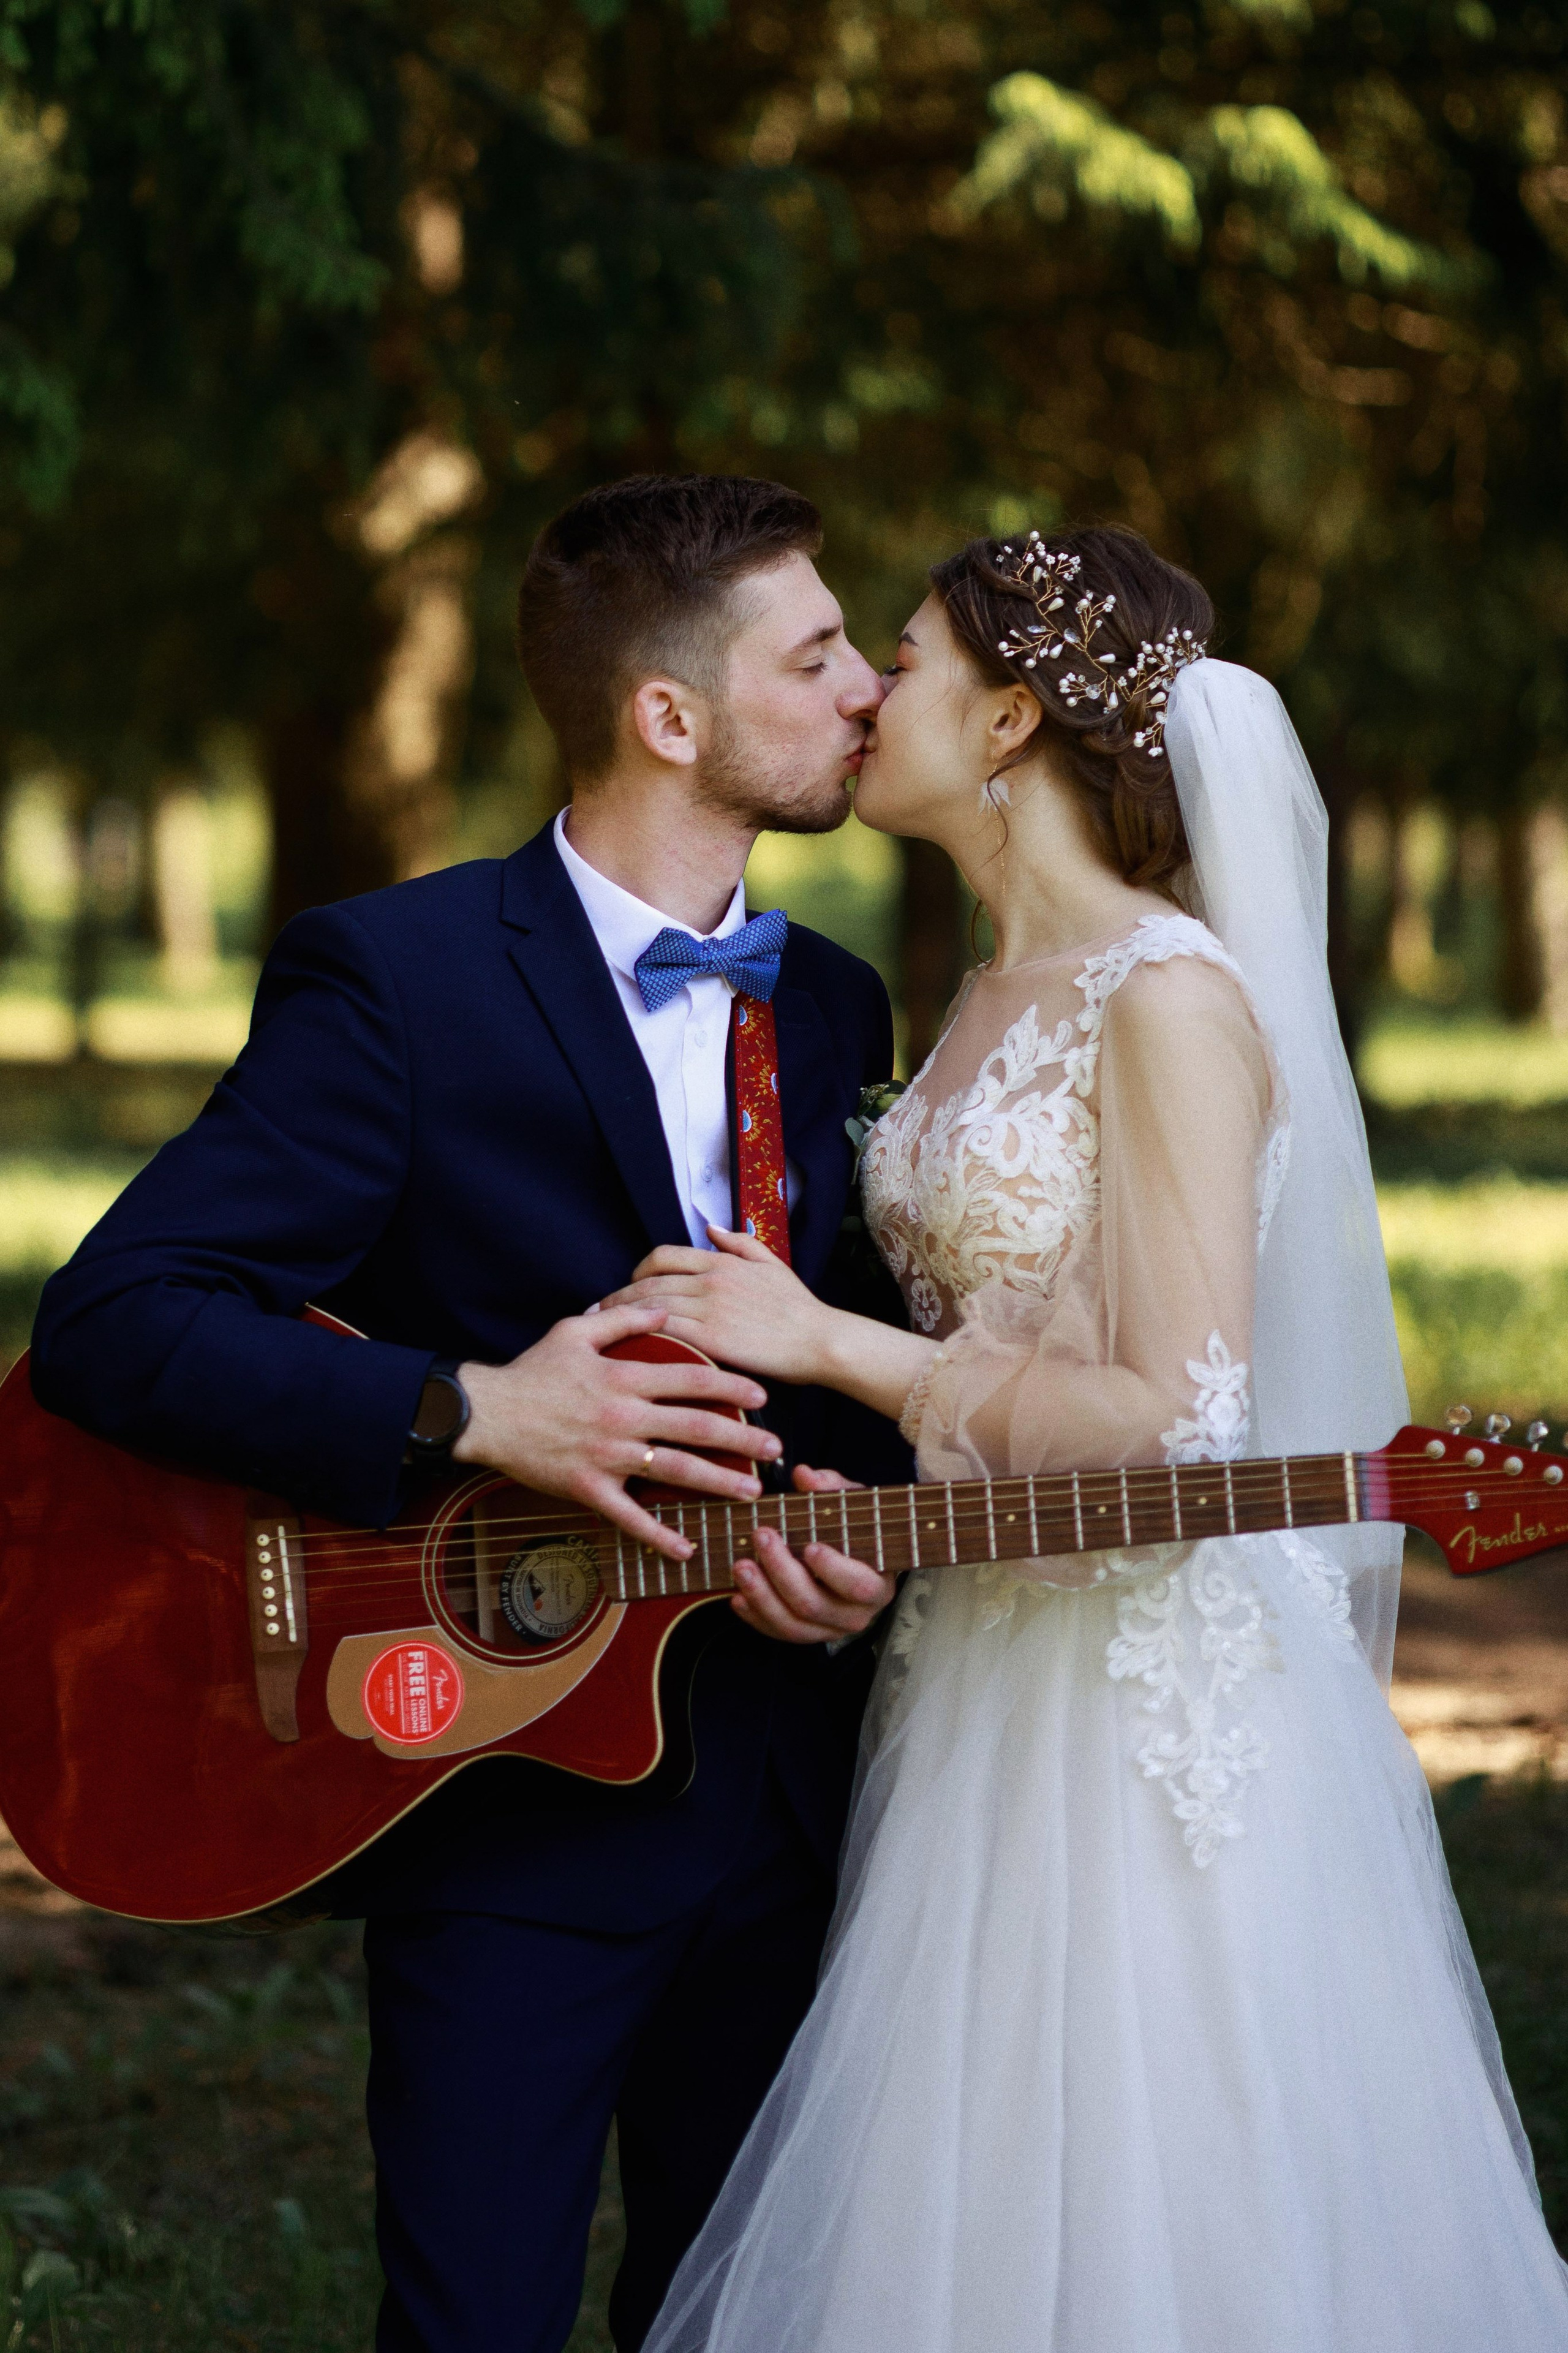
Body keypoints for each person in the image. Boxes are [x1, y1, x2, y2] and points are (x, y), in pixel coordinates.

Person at [613, 525, 1568, 2351]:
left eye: (901, 654)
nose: (871, 691)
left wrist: (830, 1345)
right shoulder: (971, 997)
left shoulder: (1174, 999)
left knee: (1156, 2180)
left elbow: (1173, 1420)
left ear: (1012, 721)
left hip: (1143, 1706)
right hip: (979, 1653)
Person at [29, 474, 910, 2352]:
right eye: (819, 651)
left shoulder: (837, 1003)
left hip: (795, 1798)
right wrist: (472, 1404)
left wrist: (860, 1545)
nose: (869, 688)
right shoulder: (403, 980)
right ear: (668, 714)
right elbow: (117, 1319)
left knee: (744, 2310)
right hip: (505, 1782)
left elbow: (857, 1361)